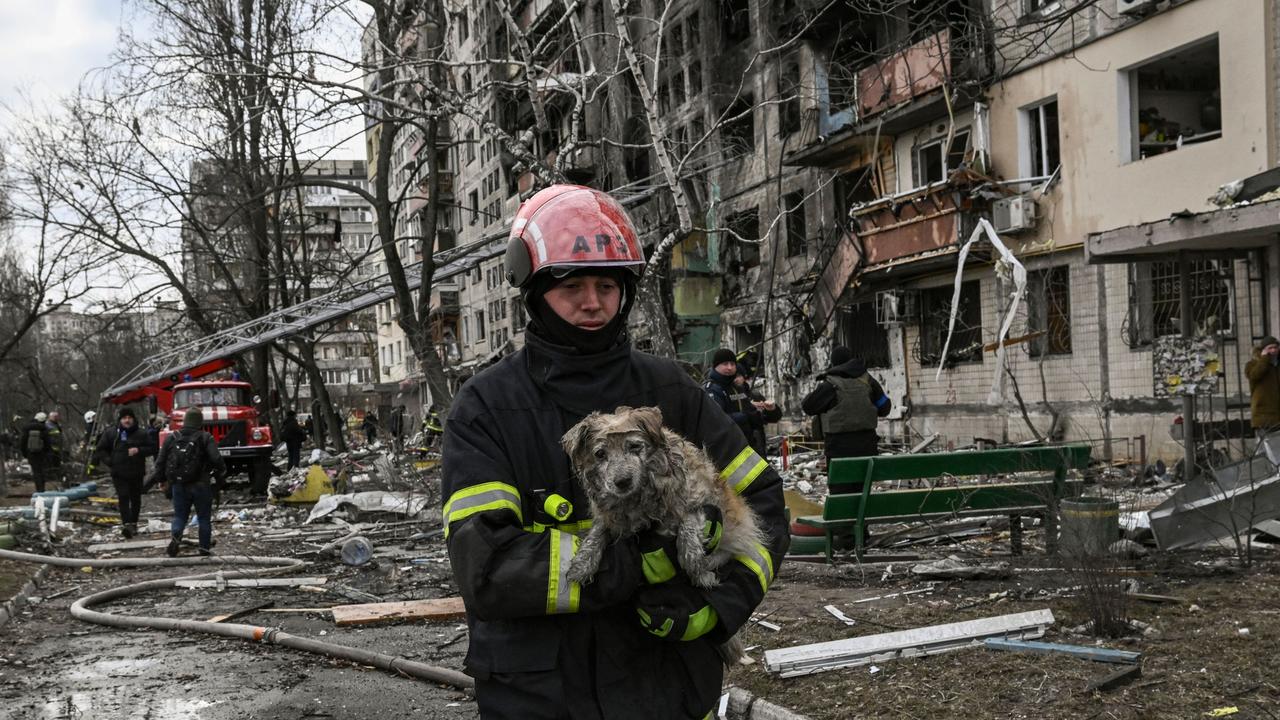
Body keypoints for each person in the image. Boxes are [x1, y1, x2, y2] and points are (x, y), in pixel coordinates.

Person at [442, 185, 788, 720]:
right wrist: (628, 565)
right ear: (533, 292)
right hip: (541, 698)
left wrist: (718, 606)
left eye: (607, 284)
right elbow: (485, 565)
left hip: (666, 689)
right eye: (572, 284)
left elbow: (761, 501)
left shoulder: (672, 392)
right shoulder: (486, 407)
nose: (592, 301)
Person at [802, 345, 893, 480]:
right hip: (867, 447)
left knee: (841, 491)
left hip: (838, 450)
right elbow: (885, 407)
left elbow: (808, 406)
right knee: (863, 489)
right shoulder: (868, 381)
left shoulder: (829, 384)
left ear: (833, 363)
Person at [151, 408, 226, 557]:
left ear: (185, 421)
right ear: (200, 422)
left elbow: (160, 462)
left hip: (179, 484)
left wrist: (162, 480)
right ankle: (204, 549)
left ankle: (176, 535)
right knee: (204, 518)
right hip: (201, 484)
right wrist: (220, 476)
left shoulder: (172, 437)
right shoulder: (205, 437)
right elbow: (217, 459)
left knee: (179, 516)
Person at [95, 408, 158, 538]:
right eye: (124, 418)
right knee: (123, 497)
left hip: (136, 472)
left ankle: (133, 523)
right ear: (120, 420)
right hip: (118, 472)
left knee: (135, 498)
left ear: (133, 419)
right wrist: (110, 461)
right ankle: (127, 524)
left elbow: (153, 448)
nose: (127, 420)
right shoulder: (112, 433)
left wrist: (139, 450)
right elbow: (100, 449)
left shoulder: (141, 433)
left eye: (129, 418)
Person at [703, 348, 763, 451]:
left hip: (748, 444)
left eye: (732, 364)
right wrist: (745, 416)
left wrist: (757, 414)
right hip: (727, 448)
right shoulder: (712, 389)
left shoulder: (738, 388)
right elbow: (717, 419)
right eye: (725, 364)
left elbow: (749, 410)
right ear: (716, 366)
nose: (729, 368)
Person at [1246, 335, 1280, 438]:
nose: (1273, 350)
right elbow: (1254, 375)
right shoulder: (1252, 364)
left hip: (1277, 412)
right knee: (1266, 447)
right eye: (1270, 348)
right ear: (1263, 350)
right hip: (1263, 413)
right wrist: (1264, 359)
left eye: (1275, 347)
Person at [20, 412, 52, 493]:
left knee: (36, 471)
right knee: (41, 471)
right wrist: (47, 453)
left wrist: (24, 453)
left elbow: (22, 442)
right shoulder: (44, 429)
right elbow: (48, 443)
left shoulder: (27, 428)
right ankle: (42, 489)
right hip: (41, 453)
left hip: (30, 453)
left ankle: (38, 489)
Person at [44, 411, 66, 489]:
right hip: (51, 448)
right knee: (51, 464)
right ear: (50, 417)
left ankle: (57, 477)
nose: (57, 418)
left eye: (57, 416)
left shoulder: (56, 425)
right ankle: (50, 478)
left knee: (57, 464)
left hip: (58, 448)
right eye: (54, 416)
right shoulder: (48, 425)